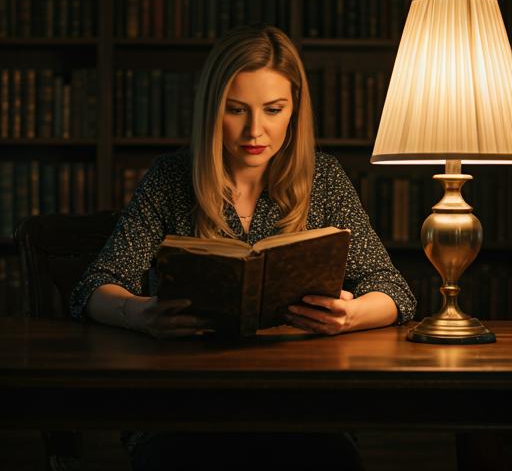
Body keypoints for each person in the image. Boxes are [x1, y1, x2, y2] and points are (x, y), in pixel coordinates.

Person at [71, 24, 416, 470]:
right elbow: (95, 286)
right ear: (213, 109)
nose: (255, 130)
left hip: (301, 404)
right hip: (183, 406)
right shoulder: (171, 179)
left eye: (273, 109)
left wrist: (350, 316)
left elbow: (394, 291)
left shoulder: (323, 179)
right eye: (236, 109)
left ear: (295, 108)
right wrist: (139, 313)